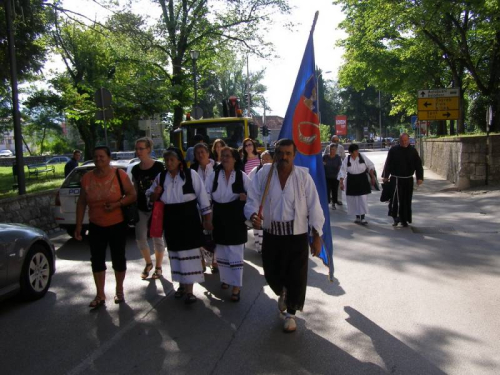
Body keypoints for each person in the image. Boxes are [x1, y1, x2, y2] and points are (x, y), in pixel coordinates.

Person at [245, 139, 324, 333]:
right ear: (275, 154)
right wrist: (252, 215)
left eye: (288, 153)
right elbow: (252, 198)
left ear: (294, 155)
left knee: (296, 276)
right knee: (272, 273)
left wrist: (317, 236)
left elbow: (314, 206)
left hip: (296, 235)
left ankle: (291, 314)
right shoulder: (264, 174)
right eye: (280, 153)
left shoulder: (303, 177)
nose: (284, 157)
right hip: (272, 233)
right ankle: (282, 292)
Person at [147, 148, 212, 304]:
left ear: (179, 161)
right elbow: (150, 197)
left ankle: (189, 291)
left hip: (189, 218)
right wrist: (155, 193)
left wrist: (207, 219)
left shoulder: (191, 175)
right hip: (170, 220)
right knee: (175, 253)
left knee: (189, 252)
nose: (169, 163)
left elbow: (203, 197)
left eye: (172, 160)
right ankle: (181, 285)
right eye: (167, 160)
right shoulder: (161, 177)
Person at [75, 146, 137, 308]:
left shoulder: (119, 175)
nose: (98, 159)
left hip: (117, 224)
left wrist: (118, 204)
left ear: (109, 158)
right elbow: (82, 202)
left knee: (118, 258)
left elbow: (132, 195)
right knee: (96, 260)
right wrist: (79, 225)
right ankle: (100, 295)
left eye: (102, 156)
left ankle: (119, 290)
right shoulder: (87, 178)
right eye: (95, 157)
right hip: (96, 225)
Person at [206, 147, 250, 302]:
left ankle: (236, 287)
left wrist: (246, 198)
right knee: (222, 250)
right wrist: (207, 217)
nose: (224, 158)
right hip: (219, 215)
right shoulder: (214, 175)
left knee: (235, 251)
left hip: (236, 217)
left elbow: (253, 195)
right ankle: (225, 279)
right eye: (222, 155)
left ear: (235, 159)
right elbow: (206, 196)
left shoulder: (241, 176)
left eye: (228, 156)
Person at [131, 137, 166, 280]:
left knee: (157, 237)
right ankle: (148, 263)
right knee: (140, 238)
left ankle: (158, 267)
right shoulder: (135, 169)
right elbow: (134, 189)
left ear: (149, 150)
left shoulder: (159, 166)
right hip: (141, 207)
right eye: (137, 148)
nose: (138, 151)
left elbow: (166, 185)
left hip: (156, 207)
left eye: (141, 148)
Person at [382, 133, 424, 227]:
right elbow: (388, 163)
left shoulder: (413, 151)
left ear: (408, 140)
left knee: (406, 199)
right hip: (396, 179)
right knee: (396, 199)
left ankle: (404, 219)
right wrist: (385, 176)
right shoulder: (393, 150)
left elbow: (418, 165)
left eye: (406, 140)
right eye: (402, 141)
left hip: (408, 179)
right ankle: (396, 218)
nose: (404, 142)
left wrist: (419, 177)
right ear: (399, 141)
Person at [191, 143, 218, 274]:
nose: (200, 155)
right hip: (197, 207)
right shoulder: (192, 169)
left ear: (208, 153)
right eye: (198, 153)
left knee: (214, 234)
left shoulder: (217, 167)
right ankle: (201, 262)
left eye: (203, 152)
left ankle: (215, 261)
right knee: (200, 234)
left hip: (214, 205)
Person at [338, 144, 376, 225]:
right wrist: (341, 183)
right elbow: (342, 171)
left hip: (362, 179)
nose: (357, 152)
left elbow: (370, 166)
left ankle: (363, 217)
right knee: (353, 199)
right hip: (351, 180)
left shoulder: (362, 157)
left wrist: (372, 177)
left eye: (357, 150)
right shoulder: (347, 159)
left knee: (362, 199)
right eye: (355, 151)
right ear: (351, 152)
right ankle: (357, 217)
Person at [248, 150, 273, 253]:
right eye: (262, 158)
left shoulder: (276, 171)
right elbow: (249, 184)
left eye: (267, 158)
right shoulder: (256, 170)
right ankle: (260, 248)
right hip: (258, 204)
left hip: (270, 207)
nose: (264, 160)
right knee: (258, 227)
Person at [323, 135, 345, 205]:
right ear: (331, 141)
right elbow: (324, 157)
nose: (336, 142)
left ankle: (339, 199)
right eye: (334, 141)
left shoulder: (341, 147)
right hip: (329, 170)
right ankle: (330, 199)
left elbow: (344, 158)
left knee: (338, 186)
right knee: (329, 187)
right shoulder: (328, 147)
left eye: (337, 141)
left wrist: (344, 168)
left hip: (337, 169)